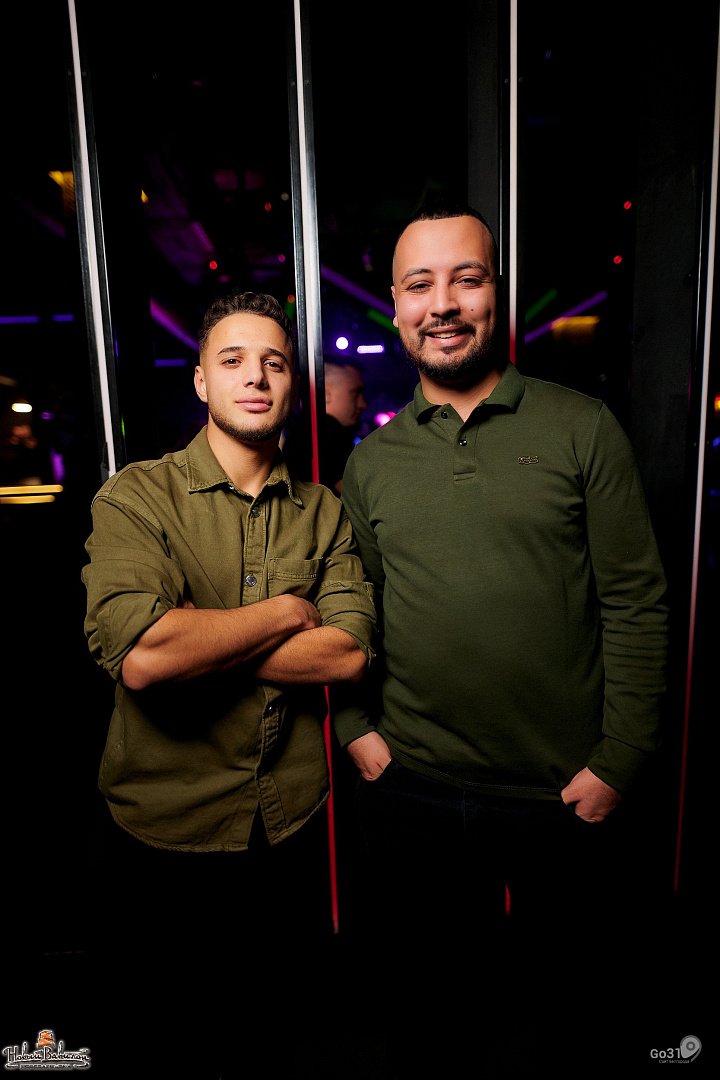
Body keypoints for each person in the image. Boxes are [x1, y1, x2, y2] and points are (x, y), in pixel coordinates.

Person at [336, 202, 669, 1073]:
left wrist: (621, 761)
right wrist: (356, 730)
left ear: (498, 295)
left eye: (466, 278)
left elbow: (636, 601)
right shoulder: (372, 463)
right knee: (435, 1030)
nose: (443, 303)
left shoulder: (580, 427)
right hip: (413, 792)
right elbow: (354, 612)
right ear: (396, 308)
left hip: (562, 797)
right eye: (419, 285)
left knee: (578, 1025)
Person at [82, 292, 375, 1076]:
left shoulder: (324, 513)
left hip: (286, 832)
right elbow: (144, 657)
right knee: (161, 1049)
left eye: (274, 363)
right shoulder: (137, 496)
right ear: (202, 381)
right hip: (163, 835)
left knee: (268, 1045)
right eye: (234, 360)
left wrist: (201, 636)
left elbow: (347, 655)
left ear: (292, 387)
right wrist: (286, 612)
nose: (256, 377)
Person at [283, 360, 367, 493]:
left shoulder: (304, 430)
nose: (363, 404)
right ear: (326, 393)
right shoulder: (325, 433)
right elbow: (357, 493)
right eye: (355, 393)